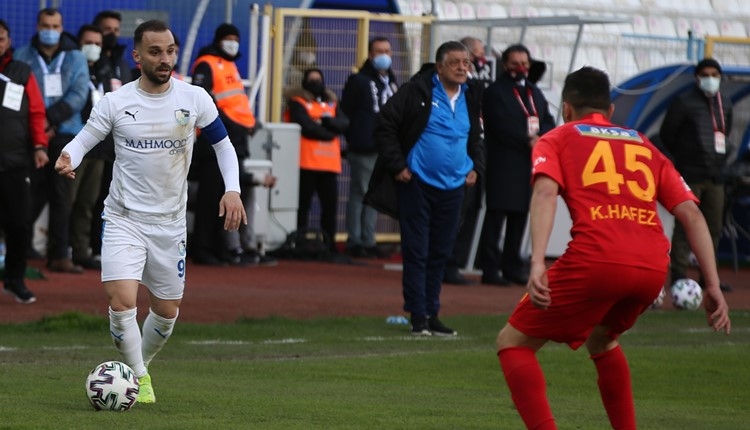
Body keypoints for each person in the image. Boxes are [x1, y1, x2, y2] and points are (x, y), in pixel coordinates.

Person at [496, 66, 731, 429]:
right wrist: (713, 285)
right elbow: (692, 215)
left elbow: (544, 193)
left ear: (567, 109)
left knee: (512, 342)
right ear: (610, 111)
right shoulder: (643, 143)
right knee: (603, 340)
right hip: (652, 268)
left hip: (597, 260)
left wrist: (538, 262)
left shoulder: (557, 137)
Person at [54, 20, 246, 404]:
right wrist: (68, 156)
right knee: (122, 299)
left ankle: (133, 367)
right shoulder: (116, 102)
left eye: (170, 50)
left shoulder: (195, 98)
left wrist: (233, 191)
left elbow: (224, 147)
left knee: (167, 310)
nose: (165, 59)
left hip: (170, 223)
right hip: (124, 217)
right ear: (136, 55)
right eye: (156, 52)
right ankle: (139, 379)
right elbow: (85, 138)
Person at [365, 41, 485, 336]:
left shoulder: (471, 96)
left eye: (465, 63)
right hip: (417, 183)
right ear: (440, 66)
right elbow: (385, 126)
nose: (461, 68)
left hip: (455, 186)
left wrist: (476, 167)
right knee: (417, 251)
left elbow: (478, 137)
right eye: (455, 62)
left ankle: (432, 312)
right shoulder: (416, 91)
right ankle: (418, 315)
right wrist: (397, 166)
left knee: (440, 252)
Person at [190, 23, 275, 266]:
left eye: (235, 38)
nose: (232, 43)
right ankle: (203, 249)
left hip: (235, 141)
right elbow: (204, 100)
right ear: (218, 40)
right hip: (214, 141)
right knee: (209, 199)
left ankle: (221, 248)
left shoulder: (230, 66)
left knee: (226, 197)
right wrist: (228, 125)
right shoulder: (207, 63)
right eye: (227, 38)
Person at [14, 7, 89, 274]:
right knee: (27, 191)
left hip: (65, 132)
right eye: (45, 25)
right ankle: (17, 247)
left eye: (55, 26)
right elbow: (16, 93)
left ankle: (59, 254)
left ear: (61, 27)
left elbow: (79, 93)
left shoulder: (76, 57)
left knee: (61, 194)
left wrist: (50, 121)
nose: (50, 31)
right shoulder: (22, 56)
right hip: (29, 134)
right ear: (37, 26)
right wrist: (37, 126)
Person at [478, 43, 555, 286]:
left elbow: (549, 121)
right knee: (496, 215)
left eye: (524, 64)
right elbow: (498, 125)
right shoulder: (495, 92)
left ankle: (512, 266)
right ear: (505, 65)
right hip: (503, 161)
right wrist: (526, 139)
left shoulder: (534, 92)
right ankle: (489, 268)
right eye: (515, 64)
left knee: (520, 217)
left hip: (529, 164)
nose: (520, 68)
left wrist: (541, 137)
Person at [659, 58, 734, 292]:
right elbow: (667, 133)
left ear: (720, 77)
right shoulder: (683, 102)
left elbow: (725, 131)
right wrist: (685, 157)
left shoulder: (726, 103)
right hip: (690, 173)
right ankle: (679, 275)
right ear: (697, 77)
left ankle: (708, 276)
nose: (710, 79)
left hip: (716, 175)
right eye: (705, 74)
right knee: (684, 226)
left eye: (714, 74)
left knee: (713, 227)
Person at [0, 19, 49, 304]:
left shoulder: (21, 71)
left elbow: (36, 112)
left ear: (8, 40)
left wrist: (40, 145)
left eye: (2, 38)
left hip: (16, 161)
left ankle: (15, 280)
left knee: (19, 223)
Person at [341, 36, 398, 259]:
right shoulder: (359, 81)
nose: (384, 55)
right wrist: (355, 137)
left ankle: (368, 239)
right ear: (370, 54)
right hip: (364, 146)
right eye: (379, 51)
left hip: (385, 148)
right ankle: (355, 240)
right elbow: (347, 111)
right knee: (360, 192)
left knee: (373, 195)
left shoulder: (392, 82)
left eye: (387, 51)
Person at [284, 68, 349, 255]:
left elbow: (344, 123)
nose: (315, 82)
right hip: (306, 163)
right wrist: (331, 131)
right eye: (311, 79)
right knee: (302, 206)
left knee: (330, 208)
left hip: (329, 165)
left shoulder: (332, 102)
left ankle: (329, 245)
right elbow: (307, 127)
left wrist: (326, 124)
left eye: (318, 79)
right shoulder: (298, 101)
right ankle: (299, 242)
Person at [442, 36, 490, 285]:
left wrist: (477, 164)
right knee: (450, 214)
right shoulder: (445, 90)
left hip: (471, 157)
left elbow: (479, 128)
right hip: (449, 160)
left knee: (464, 212)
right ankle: (444, 263)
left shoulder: (477, 89)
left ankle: (454, 262)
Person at [89, 10, 134, 267]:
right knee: (91, 200)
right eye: (107, 29)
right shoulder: (93, 63)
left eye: (116, 29)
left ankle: (105, 247)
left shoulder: (122, 63)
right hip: (96, 144)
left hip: (119, 147)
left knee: (112, 200)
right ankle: (87, 246)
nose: (112, 34)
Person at [67, 24, 109, 270]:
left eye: (97, 44)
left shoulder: (103, 72)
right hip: (75, 144)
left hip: (99, 149)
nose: (93, 48)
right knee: (68, 202)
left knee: (87, 203)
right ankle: (60, 249)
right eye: (89, 43)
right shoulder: (72, 69)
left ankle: (81, 250)